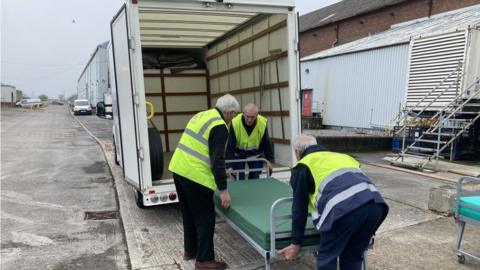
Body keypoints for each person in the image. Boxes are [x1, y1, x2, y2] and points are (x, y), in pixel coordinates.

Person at [278, 134, 389, 270]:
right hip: (376, 206)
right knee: (352, 256)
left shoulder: (303, 166)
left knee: (327, 257)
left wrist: (295, 244)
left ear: (297, 152)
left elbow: (299, 209)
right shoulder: (343, 157)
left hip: (344, 212)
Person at [169, 94, 240, 270]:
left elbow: (199, 148)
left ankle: (190, 251)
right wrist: (223, 190)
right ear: (229, 113)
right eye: (234, 115)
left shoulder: (202, 115)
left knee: (189, 214)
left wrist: (222, 172)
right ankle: (204, 260)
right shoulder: (220, 126)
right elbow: (216, 158)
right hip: (195, 176)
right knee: (206, 218)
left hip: (179, 169)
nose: (233, 119)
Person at [226, 103, 273, 180]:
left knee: (255, 177)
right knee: (238, 178)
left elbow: (266, 143)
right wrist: (228, 166)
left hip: (255, 154)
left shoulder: (262, 122)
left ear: (257, 115)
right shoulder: (235, 122)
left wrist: (270, 161)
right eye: (247, 117)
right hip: (238, 154)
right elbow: (230, 145)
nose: (249, 120)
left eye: (252, 117)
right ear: (243, 114)